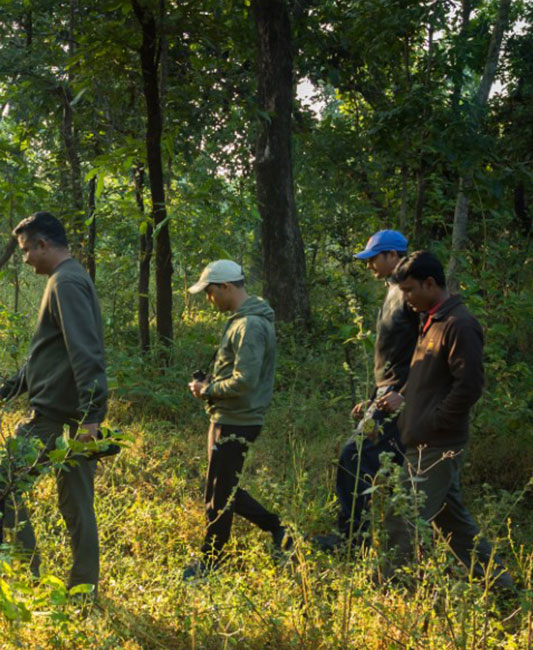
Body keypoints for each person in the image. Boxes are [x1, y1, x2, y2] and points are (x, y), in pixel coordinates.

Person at [0, 212, 109, 589]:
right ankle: (82, 589)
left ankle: (27, 575)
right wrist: (4, 392)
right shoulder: (66, 280)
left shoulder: (66, 283)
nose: (24, 259)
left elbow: (86, 352)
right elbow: (47, 355)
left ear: (43, 244)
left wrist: (90, 417)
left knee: (4, 483)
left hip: (57, 419)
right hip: (69, 415)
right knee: (76, 506)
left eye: (25, 251)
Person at [375, 251, 513, 592]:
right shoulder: (431, 319)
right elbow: (427, 378)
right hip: (421, 438)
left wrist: (435, 422)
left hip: (437, 444)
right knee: (452, 521)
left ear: (431, 284)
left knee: (402, 515)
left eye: (409, 290)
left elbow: (469, 387)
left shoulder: (459, 324)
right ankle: (500, 585)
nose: (406, 298)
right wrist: (401, 397)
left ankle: (394, 591)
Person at [182, 260, 291, 580]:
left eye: (210, 292)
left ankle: (211, 561)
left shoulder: (250, 325)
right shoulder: (241, 320)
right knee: (221, 489)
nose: (209, 299)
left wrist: (208, 389)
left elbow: (246, 380)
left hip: (237, 420)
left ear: (226, 287)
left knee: (219, 495)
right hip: (228, 416)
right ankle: (278, 530)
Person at [315, 229, 417, 554]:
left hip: (399, 400)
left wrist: (407, 393)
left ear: (392, 256)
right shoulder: (393, 291)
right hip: (385, 398)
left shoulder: (411, 294)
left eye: (373, 258)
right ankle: (360, 539)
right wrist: (373, 398)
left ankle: (353, 543)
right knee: (361, 461)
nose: (369, 265)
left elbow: (426, 352)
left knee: (354, 456)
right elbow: (392, 354)